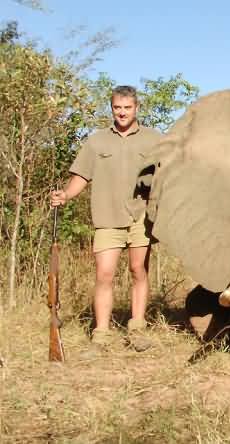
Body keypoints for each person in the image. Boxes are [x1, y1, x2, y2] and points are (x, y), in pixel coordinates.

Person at [50, 85, 162, 353]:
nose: (122, 113)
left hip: (140, 217)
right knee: (104, 274)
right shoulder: (97, 141)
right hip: (107, 217)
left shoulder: (155, 139)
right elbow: (81, 176)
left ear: (137, 108)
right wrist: (65, 195)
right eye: (117, 108)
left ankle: (137, 329)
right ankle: (101, 334)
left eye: (127, 108)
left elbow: (169, 174)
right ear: (111, 108)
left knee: (138, 271)